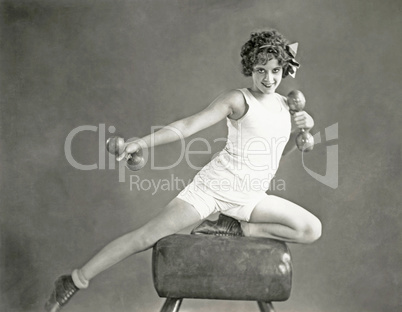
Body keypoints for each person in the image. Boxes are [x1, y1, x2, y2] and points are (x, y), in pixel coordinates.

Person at [45, 29, 322, 312]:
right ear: (250, 69)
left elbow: (272, 156)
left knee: (311, 229)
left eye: (275, 70)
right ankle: (74, 280)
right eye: (260, 70)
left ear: (285, 69)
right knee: (145, 237)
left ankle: (238, 227)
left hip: (251, 198)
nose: (268, 78)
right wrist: (141, 142)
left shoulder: (284, 106)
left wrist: (298, 136)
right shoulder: (237, 100)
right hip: (214, 189)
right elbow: (187, 126)